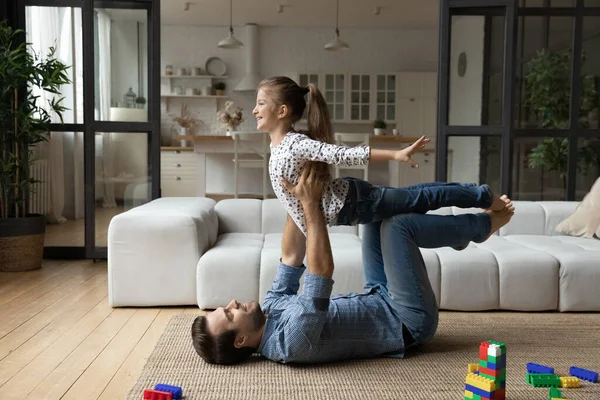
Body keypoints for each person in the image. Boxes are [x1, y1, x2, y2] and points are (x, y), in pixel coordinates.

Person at [191, 167, 515, 365]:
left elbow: (291, 258)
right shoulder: (291, 342)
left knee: (375, 213)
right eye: (230, 315)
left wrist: (295, 194)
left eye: (226, 307)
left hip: (379, 295)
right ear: (240, 341)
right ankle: (477, 228)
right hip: (408, 319)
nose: (232, 304)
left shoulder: (270, 309)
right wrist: (310, 202)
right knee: (397, 227)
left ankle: (453, 235)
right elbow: (321, 272)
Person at [253, 76, 507, 236]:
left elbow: (342, 154)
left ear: (283, 110)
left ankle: (481, 196)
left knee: (421, 197)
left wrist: (396, 154)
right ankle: (476, 210)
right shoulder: (279, 146)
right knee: (418, 196)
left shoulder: (295, 143)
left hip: (357, 202)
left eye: (261, 103)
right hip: (353, 202)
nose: (255, 110)